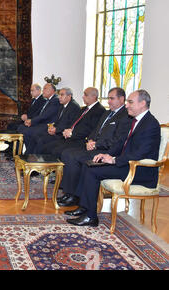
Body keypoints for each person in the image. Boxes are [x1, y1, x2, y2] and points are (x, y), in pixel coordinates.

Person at [65, 89, 161, 227]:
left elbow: (140, 153)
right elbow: (121, 142)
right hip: (126, 163)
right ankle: (85, 207)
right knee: (89, 164)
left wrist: (115, 160)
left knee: (93, 172)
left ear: (143, 103)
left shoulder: (151, 124)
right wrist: (107, 155)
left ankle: (91, 217)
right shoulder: (135, 120)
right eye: (127, 101)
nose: (127, 105)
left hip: (139, 169)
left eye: (130, 102)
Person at [58, 87, 131, 207]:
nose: (109, 101)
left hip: (106, 151)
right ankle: (69, 192)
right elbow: (96, 130)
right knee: (67, 153)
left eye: (112, 98)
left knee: (74, 156)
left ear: (122, 99)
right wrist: (90, 140)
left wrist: (96, 144)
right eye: (108, 98)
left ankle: (75, 196)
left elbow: (117, 140)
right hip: (95, 146)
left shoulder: (125, 116)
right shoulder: (108, 113)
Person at [37, 87, 106, 157]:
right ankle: (40, 166)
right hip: (72, 137)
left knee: (55, 150)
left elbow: (90, 129)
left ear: (94, 96)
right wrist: (68, 130)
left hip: (81, 140)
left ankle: (53, 167)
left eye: (85, 95)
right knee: (47, 146)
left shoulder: (99, 110)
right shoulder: (85, 109)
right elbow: (74, 123)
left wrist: (72, 133)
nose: (83, 97)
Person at [25, 87, 81, 154]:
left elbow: (70, 125)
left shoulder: (74, 107)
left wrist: (56, 130)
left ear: (69, 96)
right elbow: (58, 121)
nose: (59, 97)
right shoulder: (62, 105)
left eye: (62, 95)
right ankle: (28, 157)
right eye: (59, 95)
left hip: (63, 135)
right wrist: (52, 127)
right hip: (57, 132)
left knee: (41, 140)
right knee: (36, 135)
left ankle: (37, 161)